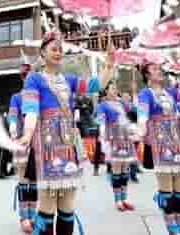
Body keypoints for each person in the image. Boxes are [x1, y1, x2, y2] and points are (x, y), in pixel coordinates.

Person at [17, 31, 114, 235]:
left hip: (69, 144)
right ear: (42, 53)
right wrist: (27, 134)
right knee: (48, 202)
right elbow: (32, 111)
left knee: (68, 203)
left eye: (60, 49)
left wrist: (109, 64)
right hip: (47, 145)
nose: (58, 53)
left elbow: (97, 85)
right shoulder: (34, 80)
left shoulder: (69, 79)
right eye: (53, 49)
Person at [137, 63, 180, 235]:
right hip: (160, 144)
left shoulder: (171, 92)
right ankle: (172, 230)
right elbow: (142, 114)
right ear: (147, 75)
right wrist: (140, 130)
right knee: (167, 189)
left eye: (159, 68)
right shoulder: (145, 94)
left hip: (177, 142)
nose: (159, 71)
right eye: (154, 69)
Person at [96, 80, 136, 212]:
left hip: (125, 137)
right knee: (117, 170)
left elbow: (134, 109)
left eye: (115, 88)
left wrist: (134, 91)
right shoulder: (103, 105)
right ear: (106, 90)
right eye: (112, 88)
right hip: (113, 137)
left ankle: (124, 199)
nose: (114, 90)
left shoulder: (122, 104)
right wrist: (103, 137)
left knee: (125, 171)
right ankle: (118, 200)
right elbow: (101, 121)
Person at [9, 60, 37, 233]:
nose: (28, 79)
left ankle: (33, 215)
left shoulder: (39, 96)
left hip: (37, 143)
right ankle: (24, 217)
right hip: (21, 141)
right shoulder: (17, 97)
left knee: (34, 181)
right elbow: (12, 115)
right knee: (23, 179)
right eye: (25, 76)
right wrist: (12, 128)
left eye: (31, 76)